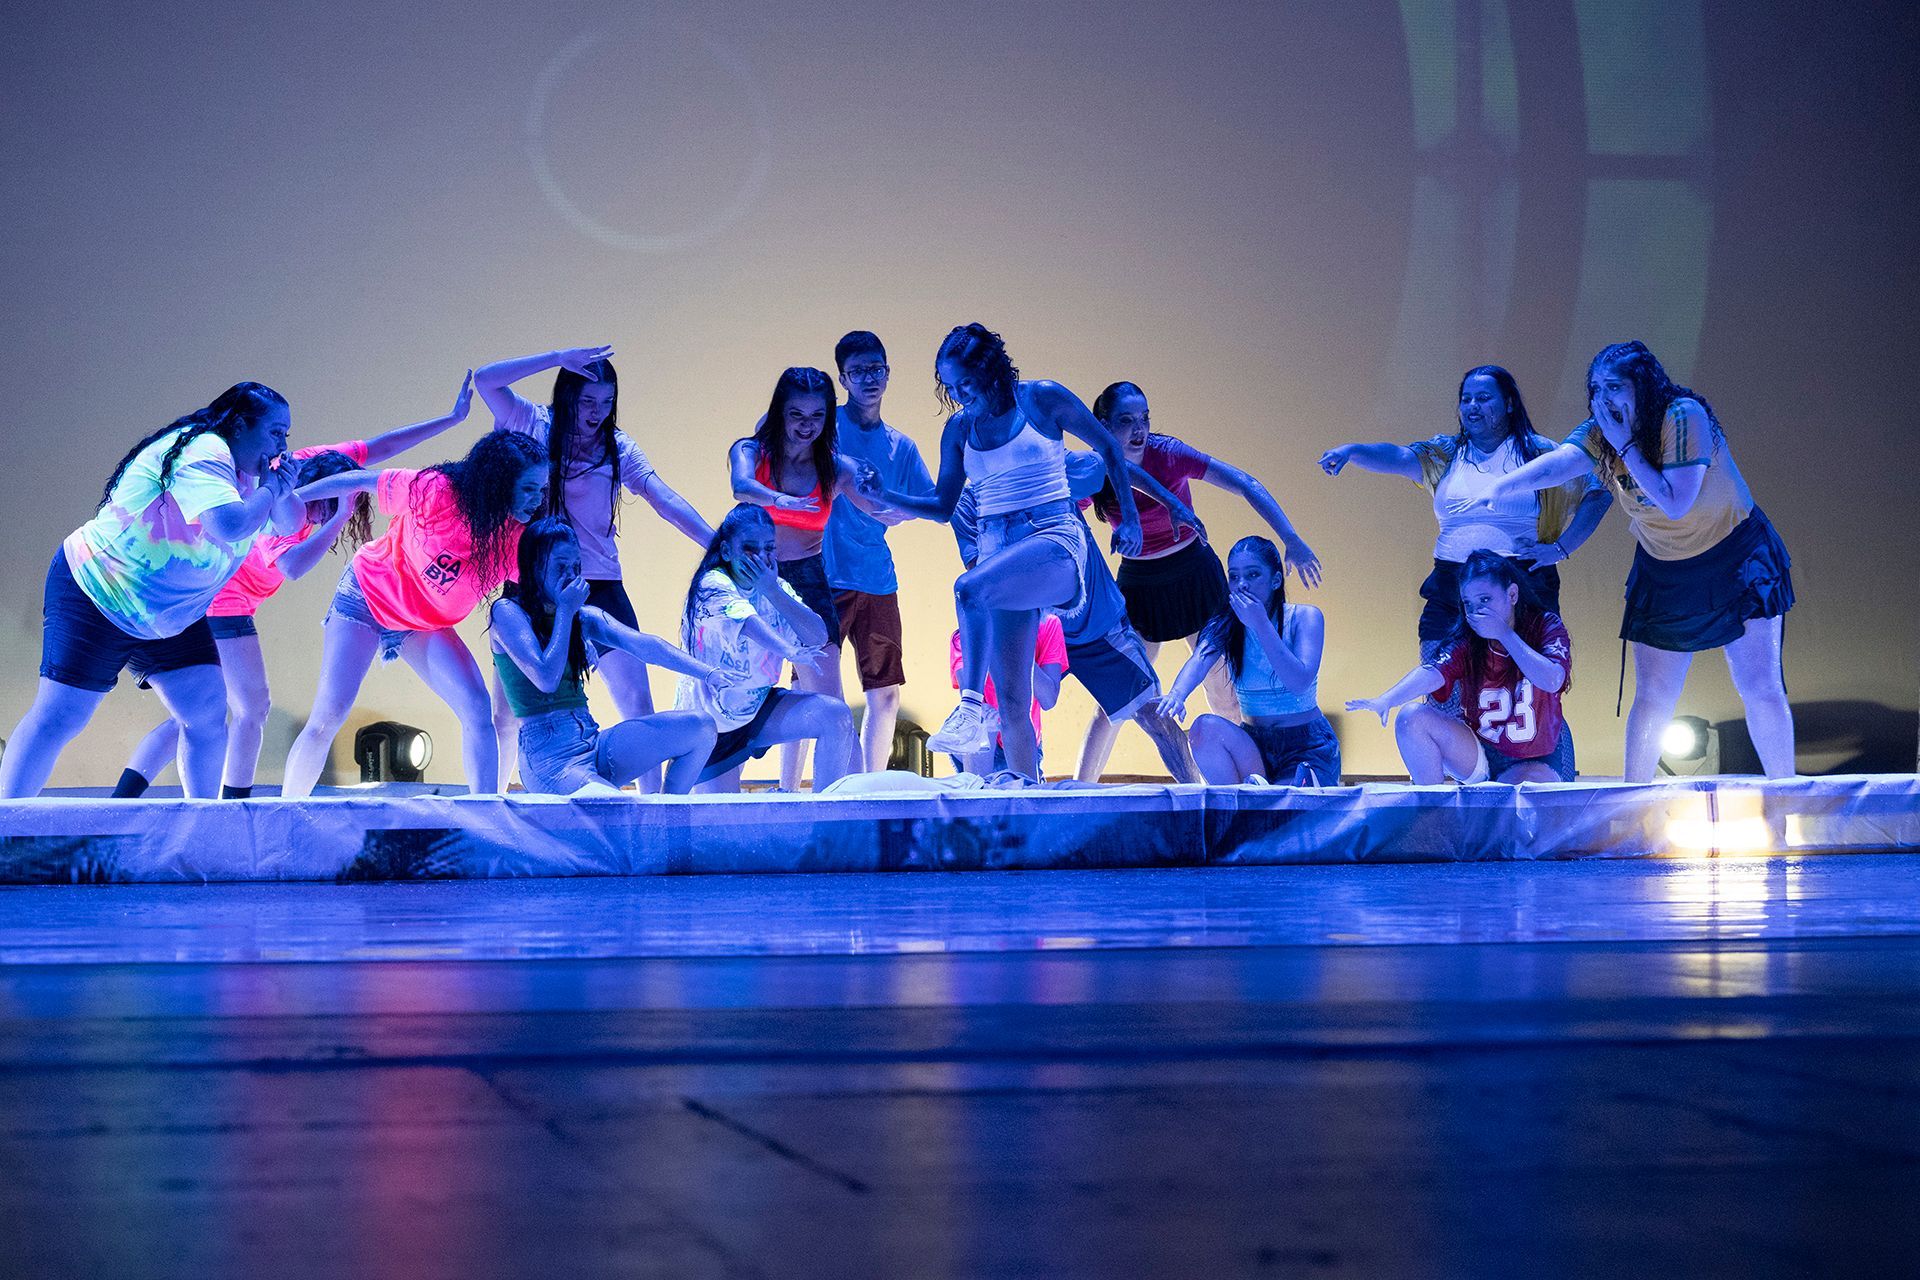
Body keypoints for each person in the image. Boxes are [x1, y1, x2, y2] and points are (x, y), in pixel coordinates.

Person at [115, 373, 476, 798]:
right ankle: (236, 806)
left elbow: (382, 447)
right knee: (252, 707)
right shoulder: (282, 501)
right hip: (222, 601)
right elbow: (293, 567)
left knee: (195, 715)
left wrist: (451, 419)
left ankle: (126, 798)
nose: (326, 516)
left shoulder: (321, 464)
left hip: (226, 600)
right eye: (326, 508)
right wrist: (338, 517)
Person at [1455, 341, 1794, 781]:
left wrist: (1626, 445)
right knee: (1653, 693)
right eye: (1596, 388)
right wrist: (1498, 488)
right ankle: (1635, 805)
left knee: (1759, 686)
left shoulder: (1681, 415)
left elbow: (1676, 502)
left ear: (1643, 387)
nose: (1604, 398)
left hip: (1736, 557)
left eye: (1615, 386)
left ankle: (1785, 799)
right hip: (1665, 568)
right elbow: (1563, 463)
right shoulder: (1603, 430)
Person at [0, 383, 301, 799]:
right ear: (238, 423)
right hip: (100, 592)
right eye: (275, 432)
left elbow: (289, 524)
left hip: (169, 617)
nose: (282, 444)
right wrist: (271, 490)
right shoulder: (204, 451)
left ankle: (200, 826)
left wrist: (278, 487)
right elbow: (229, 525)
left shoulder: (251, 477)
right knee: (61, 717)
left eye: (286, 434)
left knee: (207, 716)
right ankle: (9, 830)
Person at [873, 324, 1143, 782]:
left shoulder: (1042, 400)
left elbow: (1108, 450)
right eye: (951, 387)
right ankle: (1028, 797)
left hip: (1053, 540)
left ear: (990, 369)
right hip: (999, 554)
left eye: (965, 383)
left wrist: (1131, 518)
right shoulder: (959, 429)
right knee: (1016, 703)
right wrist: (887, 495)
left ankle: (970, 707)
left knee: (967, 589)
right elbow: (942, 505)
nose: (959, 395)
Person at [475, 346, 714, 788]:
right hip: (527, 588)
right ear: (566, 396)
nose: (597, 413)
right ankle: (496, 805)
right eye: (587, 402)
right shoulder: (536, 425)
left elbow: (665, 500)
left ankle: (655, 812)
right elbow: (486, 380)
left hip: (597, 585)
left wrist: (717, 546)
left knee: (637, 704)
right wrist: (556, 358)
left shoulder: (618, 448)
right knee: (504, 714)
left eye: (607, 402)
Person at [279, 431, 550, 797]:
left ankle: (487, 816)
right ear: (500, 483)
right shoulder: (436, 491)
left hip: (422, 624)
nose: (538, 500)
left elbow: (545, 594)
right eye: (529, 489)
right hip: (367, 596)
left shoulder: (517, 539)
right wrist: (290, 497)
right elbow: (357, 479)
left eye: (542, 489)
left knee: (476, 709)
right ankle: (286, 813)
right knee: (328, 715)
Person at [1078, 380, 1325, 779]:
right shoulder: (1094, 469)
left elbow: (1244, 483)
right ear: (1103, 425)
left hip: (1194, 573)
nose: (1139, 430)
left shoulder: (1168, 454)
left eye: (1144, 419)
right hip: (1140, 582)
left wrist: (1291, 538)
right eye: (1126, 421)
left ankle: (1245, 782)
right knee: (1118, 695)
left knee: (1222, 691)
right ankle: (1079, 790)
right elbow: (1065, 519)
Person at [1319, 365, 1610, 656]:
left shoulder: (1541, 453)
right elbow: (1399, 455)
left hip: (1520, 585)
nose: (1473, 406)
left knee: (1520, 692)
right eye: (1466, 399)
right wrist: (1352, 451)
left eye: (1483, 398)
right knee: (1442, 689)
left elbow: (1597, 495)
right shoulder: (1445, 453)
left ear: (1509, 404)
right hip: (1451, 586)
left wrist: (1560, 549)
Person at [950, 451, 1200, 782]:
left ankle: (1196, 794)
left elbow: (1112, 463)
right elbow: (982, 579)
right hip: (1032, 631)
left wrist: (1166, 503)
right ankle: (1025, 805)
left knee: (1152, 713)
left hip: (1095, 627)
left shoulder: (1042, 464)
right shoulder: (967, 506)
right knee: (1011, 712)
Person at [728, 366, 898, 790]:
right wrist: (782, 499)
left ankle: (858, 798)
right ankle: (719, 785)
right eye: (796, 415)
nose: (806, 426)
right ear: (780, 413)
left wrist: (929, 505)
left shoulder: (834, 468)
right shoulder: (751, 450)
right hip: (752, 575)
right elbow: (740, 486)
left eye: (816, 416)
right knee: (735, 691)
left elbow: (880, 509)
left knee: (832, 703)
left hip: (806, 580)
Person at [491, 518, 736, 794]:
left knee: (701, 727)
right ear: (535, 566)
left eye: (576, 567)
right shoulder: (507, 612)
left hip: (590, 742)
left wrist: (707, 672)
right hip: (548, 759)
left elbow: (646, 647)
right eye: (561, 566)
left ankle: (664, 822)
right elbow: (546, 678)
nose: (571, 576)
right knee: (613, 804)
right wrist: (565, 612)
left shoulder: (582, 616)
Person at [1346, 550, 1576, 784]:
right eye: (1469, 603)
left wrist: (1504, 634)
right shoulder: (1469, 640)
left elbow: (1552, 679)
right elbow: (1432, 673)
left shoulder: (1544, 625)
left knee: (1509, 803)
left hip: (1533, 758)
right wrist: (1387, 699)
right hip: (1481, 751)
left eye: (1485, 600)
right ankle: (1435, 811)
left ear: (1512, 594)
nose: (1477, 611)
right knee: (1411, 718)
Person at [677, 504, 857, 792]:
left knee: (834, 715)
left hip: (758, 712)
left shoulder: (775, 587)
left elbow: (817, 634)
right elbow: (747, 623)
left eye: (769, 548)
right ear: (726, 552)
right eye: (750, 548)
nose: (761, 558)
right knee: (725, 830)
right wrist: (788, 650)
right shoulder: (712, 583)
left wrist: (772, 590)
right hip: (710, 729)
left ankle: (826, 826)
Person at [822, 332, 934, 774]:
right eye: (859, 371)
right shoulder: (825, 428)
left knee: (886, 691)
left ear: (888, 372)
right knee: (812, 691)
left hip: (876, 577)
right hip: (823, 575)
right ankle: (792, 789)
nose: (870, 379)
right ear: (843, 378)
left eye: (877, 369)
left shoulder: (900, 446)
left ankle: (874, 787)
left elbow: (929, 502)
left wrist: (893, 510)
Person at [1155, 536, 1339, 786]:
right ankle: (1243, 802)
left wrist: (1261, 624)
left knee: (1283, 809)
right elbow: (1199, 660)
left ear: (1276, 580)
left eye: (1253, 575)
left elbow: (1299, 683)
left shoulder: (1305, 617)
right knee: (1203, 729)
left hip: (1306, 745)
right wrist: (1177, 694)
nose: (1242, 584)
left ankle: (1269, 793)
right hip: (1254, 744)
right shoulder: (1225, 624)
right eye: (1234, 576)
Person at [946, 603, 1069, 778]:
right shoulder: (966, 636)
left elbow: (1048, 700)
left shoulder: (1048, 625)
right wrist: (994, 642)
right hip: (984, 739)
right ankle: (977, 792)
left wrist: (1019, 649)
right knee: (984, 719)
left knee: (1011, 718)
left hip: (1023, 740)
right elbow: (972, 701)